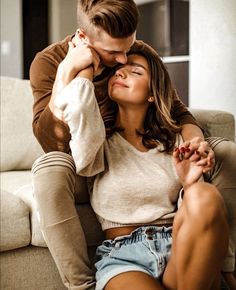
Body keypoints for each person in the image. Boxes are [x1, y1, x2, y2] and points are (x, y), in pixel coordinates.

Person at [30, 0, 236, 289]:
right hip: (85, 164)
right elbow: (52, 141)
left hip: (174, 238)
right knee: (50, 168)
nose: (124, 61)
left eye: (130, 47)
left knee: (208, 185)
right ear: (84, 38)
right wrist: (71, 72)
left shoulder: (138, 55)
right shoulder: (49, 62)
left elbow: (176, 110)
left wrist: (195, 155)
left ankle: (228, 268)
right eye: (114, 53)